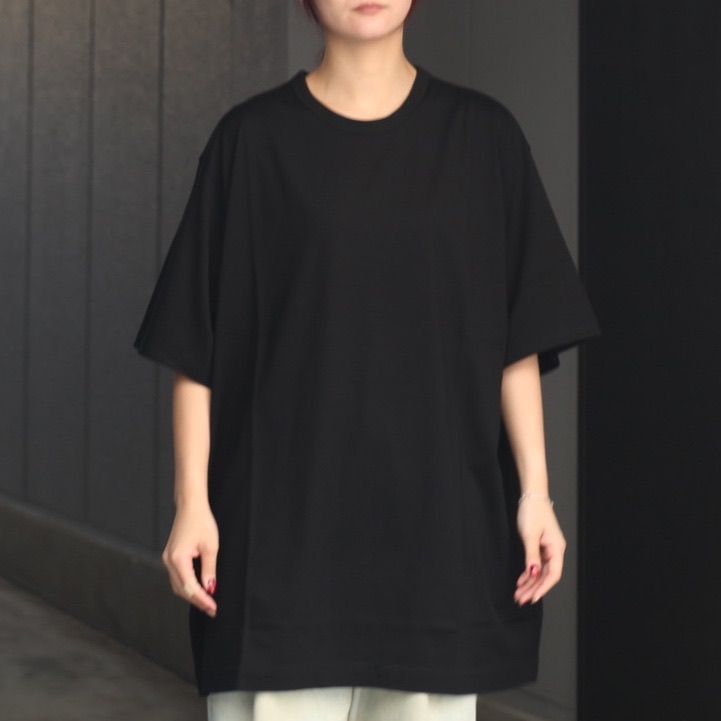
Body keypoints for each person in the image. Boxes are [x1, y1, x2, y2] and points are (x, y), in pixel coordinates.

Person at [132, 0, 602, 719]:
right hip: (280, 555)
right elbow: (197, 345)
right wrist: (191, 502)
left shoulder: (483, 139)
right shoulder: (251, 143)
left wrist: (535, 494)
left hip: (437, 549)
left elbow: (516, 341)